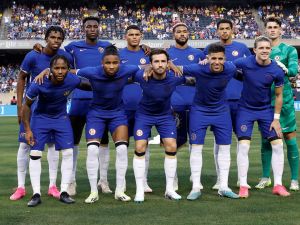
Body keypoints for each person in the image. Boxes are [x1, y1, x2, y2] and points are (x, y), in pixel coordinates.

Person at [10, 26, 71, 201]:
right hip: (32, 108)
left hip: (53, 109)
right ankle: (21, 187)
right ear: (46, 38)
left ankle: (52, 186)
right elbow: (21, 79)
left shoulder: (64, 58)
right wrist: (20, 107)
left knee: (52, 147)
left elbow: (71, 74)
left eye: (59, 38)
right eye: (52, 37)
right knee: (24, 145)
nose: (56, 40)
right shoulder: (33, 56)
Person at [75, 45, 142, 203]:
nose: (111, 66)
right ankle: (93, 192)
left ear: (120, 62)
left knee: (122, 148)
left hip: (117, 114)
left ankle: (119, 190)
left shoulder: (127, 69)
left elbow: (147, 65)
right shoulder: (91, 71)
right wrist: (46, 71)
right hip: (96, 114)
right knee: (92, 149)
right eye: (108, 63)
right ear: (102, 63)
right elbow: (70, 72)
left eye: (115, 62)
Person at [23, 55, 91, 207]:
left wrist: (108, 83)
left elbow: (89, 84)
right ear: (51, 69)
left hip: (61, 119)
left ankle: (64, 192)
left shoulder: (72, 80)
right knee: (35, 154)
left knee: (68, 153)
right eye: (56, 68)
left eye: (63, 68)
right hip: (40, 119)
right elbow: (26, 106)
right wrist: (27, 129)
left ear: (68, 69)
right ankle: (36, 194)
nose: (60, 71)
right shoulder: (39, 82)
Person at [179, 43, 239, 200]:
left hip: (221, 111)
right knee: (196, 148)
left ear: (225, 59)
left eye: (220, 59)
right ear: (207, 58)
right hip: (199, 111)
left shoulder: (231, 68)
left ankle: (224, 186)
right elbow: (175, 67)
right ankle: (196, 186)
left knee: (225, 148)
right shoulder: (198, 68)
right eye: (213, 59)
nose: (217, 62)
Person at [133, 49, 191, 202]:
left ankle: (170, 189)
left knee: (171, 146)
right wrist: (144, 68)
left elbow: (196, 77)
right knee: (139, 147)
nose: (160, 64)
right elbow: (127, 72)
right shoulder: (141, 76)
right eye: (156, 61)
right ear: (151, 64)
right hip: (144, 115)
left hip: (165, 116)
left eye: (163, 61)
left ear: (168, 63)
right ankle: (140, 190)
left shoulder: (175, 77)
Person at [234, 36, 289, 198]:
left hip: (266, 111)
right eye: (261, 48)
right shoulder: (244, 63)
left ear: (270, 50)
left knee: (278, 145)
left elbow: (279, 96)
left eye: (267, 48)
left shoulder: (277, 70)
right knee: (243, 146)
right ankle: (243, 185)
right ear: (255, 50)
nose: (264, 50)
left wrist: (276, 119)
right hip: (245, 110)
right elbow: (226, 66)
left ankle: (278, 185)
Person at [64, 16, 112, 195]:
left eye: (95, 26)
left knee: (103, 142)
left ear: (99, 28)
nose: (92, 29)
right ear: (83, 29)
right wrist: (38, 47)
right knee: (74, 142)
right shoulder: (73, 47)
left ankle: (103, 180)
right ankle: (71, 181)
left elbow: (120, 61)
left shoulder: (107, 47)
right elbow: (56, 58)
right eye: (88, 26)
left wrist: (146, 49)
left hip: (101, 102)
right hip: (79, 101)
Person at [203, 19, 252, 190]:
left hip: (240, 101)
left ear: (233, 30)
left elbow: (249, 72)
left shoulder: (242, 49)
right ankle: (219, 179)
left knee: (242, 140)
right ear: (217, 31)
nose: (224, 31)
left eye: (227, 29)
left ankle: (241, 178)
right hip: (218, 103)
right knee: (220, 141)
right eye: (221, 29)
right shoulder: (210, 50)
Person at [256, 17, 299, 191]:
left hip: (285, 101)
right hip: (265, 101)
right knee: (266, 140)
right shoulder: (261, 49)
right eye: (269, 27)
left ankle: (295, 179)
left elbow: (294, 72)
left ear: (281, 30)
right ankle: (266, 177)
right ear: (265, 30)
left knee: (289, 139)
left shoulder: (289, 50)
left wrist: (285, 68)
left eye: (275, 27)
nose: (272, 30)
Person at [167, 22, 205, 191]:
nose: (182, 34)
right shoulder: (166, 54)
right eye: (178, 31)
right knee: (173, 142)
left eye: (184, 31)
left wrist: (181, 76)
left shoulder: (198, 54)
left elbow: (203, 77)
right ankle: (173, 178)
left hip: (196, 104)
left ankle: (195, 176)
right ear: (173, 34)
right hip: (174, 105)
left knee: (196, 143)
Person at [120, 25, 152, 193]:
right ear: (126, 36)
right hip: (122, 108)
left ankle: (144, 181)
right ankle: (122, 181)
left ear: (141, 36)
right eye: (131, 34)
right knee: (123, 146)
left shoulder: (148, 54)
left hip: (143, 108)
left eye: (137, 34)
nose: (134, 37)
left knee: (143, 145)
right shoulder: (118, 55)